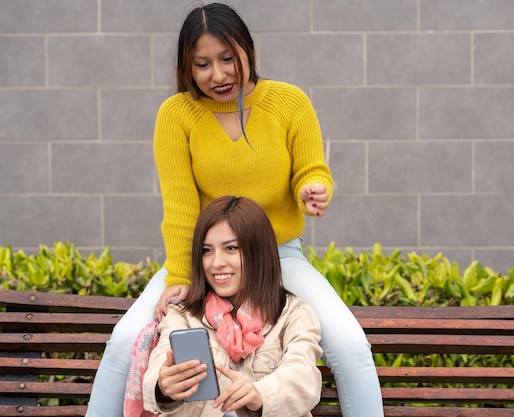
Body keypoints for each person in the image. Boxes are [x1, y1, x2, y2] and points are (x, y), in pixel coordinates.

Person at [86, 3, 384, 417]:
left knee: (352, 347)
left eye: (227, 58)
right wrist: (180, 278)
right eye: (202, 64)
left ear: (247, 49)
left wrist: (314, 189)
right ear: (186, 68)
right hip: (208, 259)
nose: (219, 74)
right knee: (123, 341)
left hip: (277, 255)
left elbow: (311, 169)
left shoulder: (289, 102)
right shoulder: (176, 116)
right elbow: (179, 208)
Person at [142, 195, 323, 417]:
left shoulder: (294, 315)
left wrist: (259, 394)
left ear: (258, 252)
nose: (216, 262)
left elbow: (303, 378)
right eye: (206, 250)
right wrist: (163, 386)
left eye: (231, 248)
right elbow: (160, 361)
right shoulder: (182, 314)